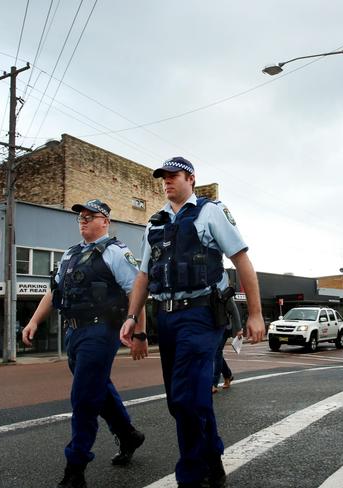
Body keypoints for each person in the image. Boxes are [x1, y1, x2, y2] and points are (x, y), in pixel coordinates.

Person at [120, 157, 265, 488]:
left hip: (202, 315)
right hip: (167, 318)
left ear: (191, 179)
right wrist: (132, 318)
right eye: (164, 178)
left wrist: (256, 313)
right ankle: (213, 459)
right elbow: (143, 276)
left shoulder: (210, 212)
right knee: (183, 400)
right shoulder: (154, 224)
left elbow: (241, 259)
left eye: (174, 176)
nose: (167, 182)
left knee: (187, 398)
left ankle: (191, 476)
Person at [22, 199, 148, 488]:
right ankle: (128, 434)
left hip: (101, 332)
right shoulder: (70, 254)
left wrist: (140, 333)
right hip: (74, 333)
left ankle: (75, 469)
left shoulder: (115, 252)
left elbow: (137, 294)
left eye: (91, 216)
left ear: (105, 221)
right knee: (97, 388)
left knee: (83, 399)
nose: (84, 220)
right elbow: (53, 293)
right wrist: (33, 321)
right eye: (81, 216)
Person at [212, 298, 242, 393]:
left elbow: (234, 310)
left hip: (224, 327)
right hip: (212, 328)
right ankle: (228, 375)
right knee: (217, 353)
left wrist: (239, 329)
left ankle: (214, 383)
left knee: (217, 352)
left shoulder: (223, 291)